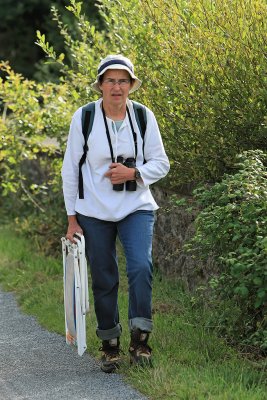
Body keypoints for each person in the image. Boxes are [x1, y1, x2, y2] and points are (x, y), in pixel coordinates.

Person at [62, 54, 170, 373]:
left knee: (140, 268)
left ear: (131, 85)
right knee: (104, 277)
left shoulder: (143, 116)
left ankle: (141, 340)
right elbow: (70, 170)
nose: (117, 87)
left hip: (136, 206)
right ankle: (110, 345)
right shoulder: (84, 118)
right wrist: (71, 219)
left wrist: (133, 175)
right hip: (93, 211)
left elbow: (161, 163)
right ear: (100, 86)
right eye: (110, 80)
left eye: (123, 80)